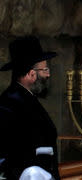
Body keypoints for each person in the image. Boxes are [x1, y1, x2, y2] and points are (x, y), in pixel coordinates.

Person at [0, 36, 60, 179]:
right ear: (30, 74)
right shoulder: (8, 104)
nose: (48, 74)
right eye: (45, 69)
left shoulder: (26, 98)